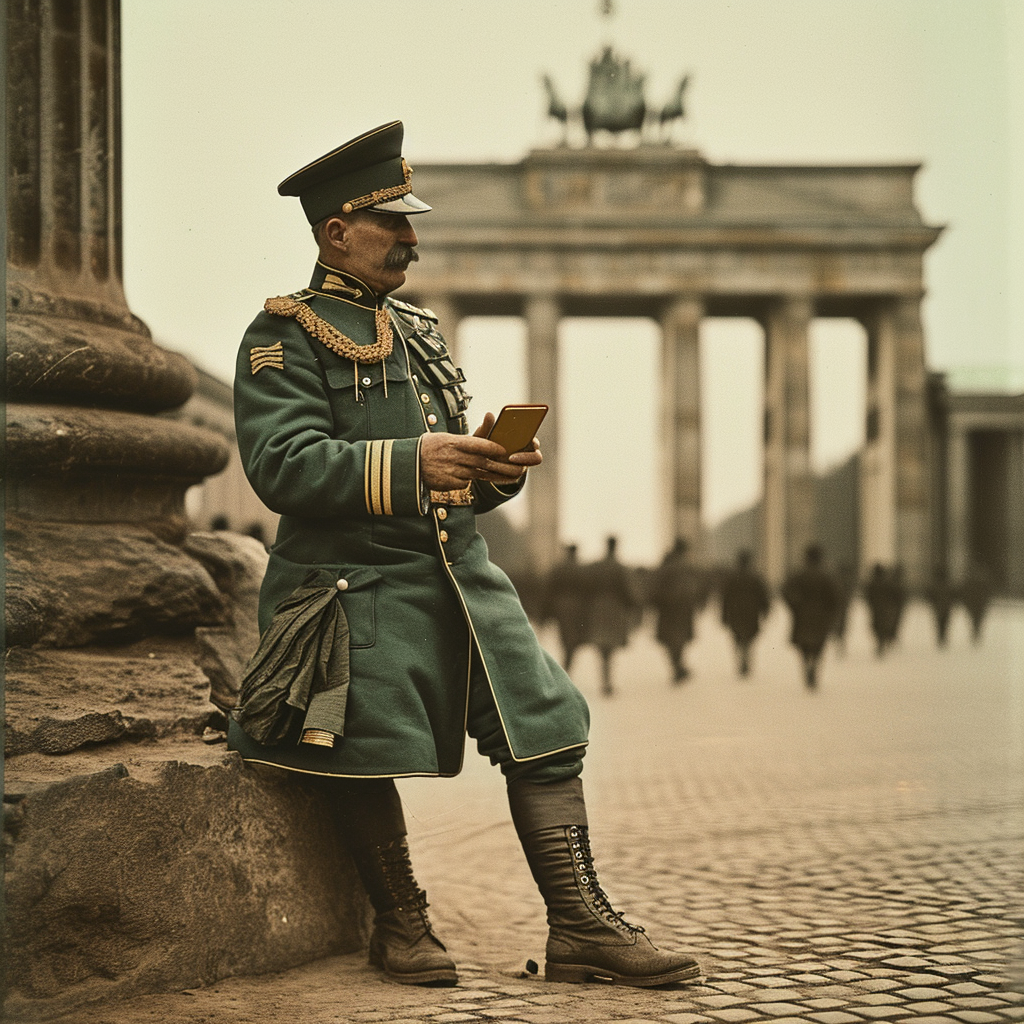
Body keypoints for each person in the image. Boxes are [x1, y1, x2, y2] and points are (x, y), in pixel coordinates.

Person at [229, 122, 700, 989]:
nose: (413, 236)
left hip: (460, 576)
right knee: (358, 744)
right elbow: (279, 466)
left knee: (549, 728)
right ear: (337, 231)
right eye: (392, 222)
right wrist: (416, 461)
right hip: (350, 585)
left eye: (412, 220)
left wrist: (488, 472)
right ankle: (401, 923)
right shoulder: (283, 337)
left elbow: (449, 474)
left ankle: (581, 925)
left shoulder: (417, 329)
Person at [584, 535, 640, 696]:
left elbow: (587, 588)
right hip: (615, 610)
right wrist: (635, 606)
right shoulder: (620, 568)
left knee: (602, 646)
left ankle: (605, 679)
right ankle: (607, 681)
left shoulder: (596, 567)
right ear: (616, 547)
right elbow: (629, 591)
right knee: (610, 647)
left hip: (597, 609)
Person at [781, 544, 840, 689]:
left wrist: (794, 606)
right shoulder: (827, 576)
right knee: (818, 645)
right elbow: (836, 598)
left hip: (802, 615)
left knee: (803, 645)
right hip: (821, 617)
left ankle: (806, 663)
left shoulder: (798, 574)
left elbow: (786, 591)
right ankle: (814, 665)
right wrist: (830, 613)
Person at [649, 537, 704, 683]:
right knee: (679, 639)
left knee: (670, 639)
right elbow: (696, 588)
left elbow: (655, 587)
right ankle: (678, 666)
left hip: (667, 609)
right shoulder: (687, 567)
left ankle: (677, 666)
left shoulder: (666, 566)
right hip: (683, 609)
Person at [719, 549, 771, 678]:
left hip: (735, 612)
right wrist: (765, 611)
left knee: (737, 637)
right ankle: (746, 656)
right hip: (751, 612)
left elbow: (725, 597)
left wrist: (724, 615)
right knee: (749, 637)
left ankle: (741, 657)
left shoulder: (731, 577)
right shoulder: (756, 577)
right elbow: (763, 596)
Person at [541, 543, 590, 671]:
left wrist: (545, 612)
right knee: (573, 637)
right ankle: (567, 664)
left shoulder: (558, 568)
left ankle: (566, 664)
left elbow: (549, 590)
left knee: (564, 636)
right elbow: (587, 591)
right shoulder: (581, 569)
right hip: (577, 607)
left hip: (560, 606)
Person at [864, 563, 905, 657]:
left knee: (878, 627)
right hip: (884, 609)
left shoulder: (874, 583)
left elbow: (868, 596)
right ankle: (882, 643)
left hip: (879, 609)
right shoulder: (885, 582)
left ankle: (881, 644)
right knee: (881, 626)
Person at [960, 562, 994, 645]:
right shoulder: (979, 582)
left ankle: (976, 633)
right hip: (977, 604)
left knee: (976, 620)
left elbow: (966, 593)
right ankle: (976, 633)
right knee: (977, 620)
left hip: (976, 604)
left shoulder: (971, 582)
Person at [925, 565, 955, 647]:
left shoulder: (936, 585)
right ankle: (942, 637)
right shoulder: (947, 585)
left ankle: (941, 637)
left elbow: (930, 596)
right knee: (944, 623)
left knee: (940, 623)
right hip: (944, 606)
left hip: (940, 607)